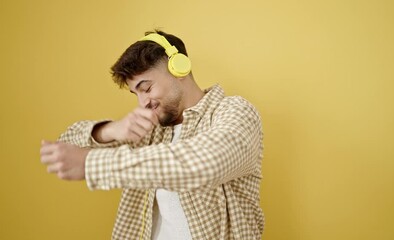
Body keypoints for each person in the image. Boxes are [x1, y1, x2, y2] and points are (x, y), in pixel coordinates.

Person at [40, 30, 264, 240]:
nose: (142, 103)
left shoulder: (236, 112)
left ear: (180, 69)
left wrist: (92, 164)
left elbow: (201, 165)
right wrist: (111, 130)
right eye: (135, 93)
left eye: (146, 88)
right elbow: (65, 146)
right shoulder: (151, 129)